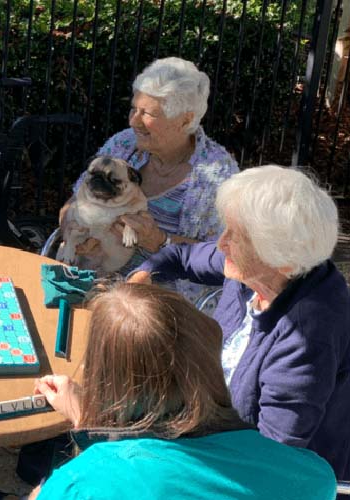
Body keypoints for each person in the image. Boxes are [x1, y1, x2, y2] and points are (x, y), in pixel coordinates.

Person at [0, 283, 336, 499]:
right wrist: (88, 420)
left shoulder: (81, 484)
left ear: (106, 380)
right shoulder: (312, 475)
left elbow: (90, 484)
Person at [130, 165, 350, 484]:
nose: (221, 244)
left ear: (282, 259)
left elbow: (271, 458)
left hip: (271, 472)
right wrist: (142, 277)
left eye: (237, 236)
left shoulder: (307, 336)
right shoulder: (258, 270)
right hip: (214, 423)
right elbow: (179, 257)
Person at [59, 57, 238, 303]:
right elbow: (73, 202)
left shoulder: (217, 175)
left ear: (185, 120)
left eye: (147, 113)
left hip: (159, 301)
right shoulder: (124, 144)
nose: (133, 121)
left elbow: (224, 255)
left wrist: (159, 240)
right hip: (91, 276)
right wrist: (73, 234)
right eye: (134, 108)